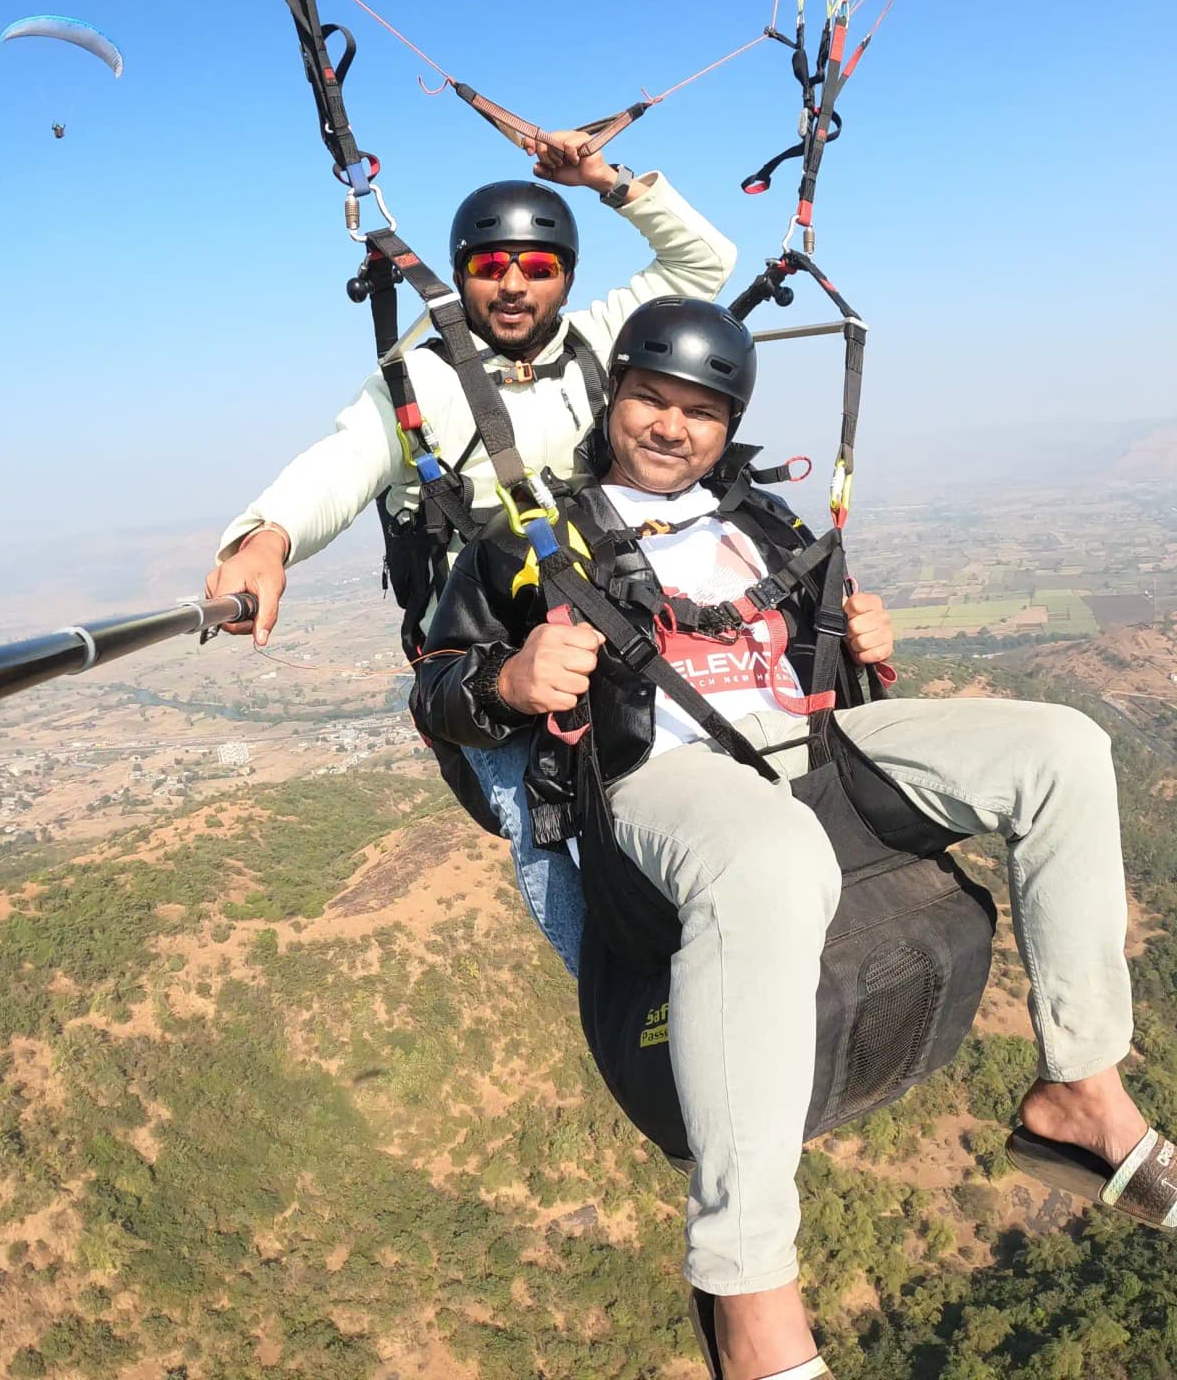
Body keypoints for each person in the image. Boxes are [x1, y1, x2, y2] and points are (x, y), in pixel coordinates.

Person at [413, 296, 1170, 1380]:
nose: (673, 427)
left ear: (730, 426)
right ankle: (746, 1285)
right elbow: (435, 685)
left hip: (812, 753)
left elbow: (815, 659)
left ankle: (1080, 1092)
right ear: (612, 399)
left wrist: (864, 639)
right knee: (772, 854)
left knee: (1065, 747)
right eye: (651, 400)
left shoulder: (763, 524)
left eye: (701, 412)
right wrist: (507, 678)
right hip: (658, 777)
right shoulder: (526, 539)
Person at [203, 134, 735, 846]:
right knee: (555, 839)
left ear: (567, 280)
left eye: (539, 266)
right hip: (484, 655)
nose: (514, 286)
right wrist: (268, 539)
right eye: (490, 266)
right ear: (462, 277)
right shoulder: (420, 382)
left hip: (604, 630)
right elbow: (346, 461)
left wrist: (604, 179)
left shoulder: (601, 343)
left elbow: (706, 262)